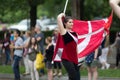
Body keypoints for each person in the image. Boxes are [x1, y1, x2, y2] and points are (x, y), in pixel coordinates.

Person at [57, 13, 80, 80]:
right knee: (74, 77)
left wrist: (77, 56)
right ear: (65, 23)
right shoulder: (64, 32)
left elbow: (75, 46)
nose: (72, 24)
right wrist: (62, 15)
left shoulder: (75, 34)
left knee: (75, 77)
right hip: (66, 58)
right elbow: (58, 18)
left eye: (72, 22)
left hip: (74, 58)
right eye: (70, 22)